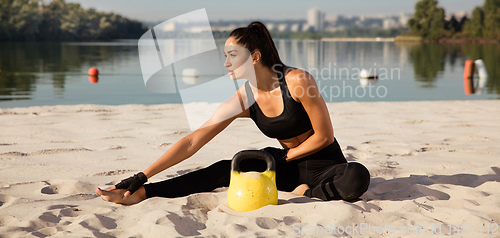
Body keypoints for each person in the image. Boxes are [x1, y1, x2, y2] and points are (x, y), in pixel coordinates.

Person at [96, 21, 370, 205]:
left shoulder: (297, 80)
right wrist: (143, 177)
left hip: (327, 166)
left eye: (232, 55)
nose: (226, 62)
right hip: (285, 166)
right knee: (222, 169)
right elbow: (194, 140)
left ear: (255, 57)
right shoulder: (243, 98)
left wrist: (284, 158)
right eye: (225, 55)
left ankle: (308, 193)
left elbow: (324, 137)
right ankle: (143, 194)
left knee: (357, 176)